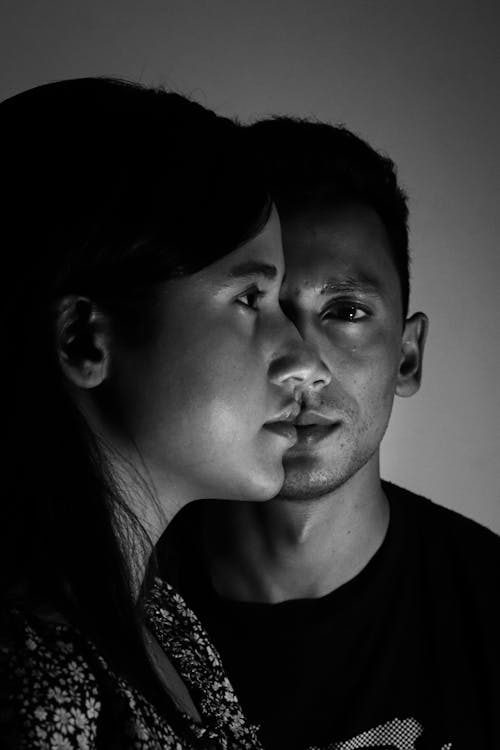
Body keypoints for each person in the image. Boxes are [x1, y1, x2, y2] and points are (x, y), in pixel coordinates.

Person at [0, 81, 326, 750]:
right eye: (249, 299)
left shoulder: (162, 618)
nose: (304, 359)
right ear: (84, 341)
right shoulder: (30, 666)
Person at [159, 118, 500, 750]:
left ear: (407, 357)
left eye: (346, 312)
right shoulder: (116, 603)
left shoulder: (493, 607)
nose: (303, 362)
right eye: (258, 305)